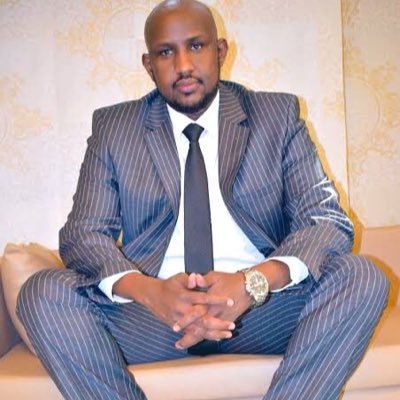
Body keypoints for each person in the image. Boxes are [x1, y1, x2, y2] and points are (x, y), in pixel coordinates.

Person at [16, 1, 389, 399]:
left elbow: (326, 221)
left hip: (260, 310)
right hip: (155, 317)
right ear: (148, 65)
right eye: (166, 52)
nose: (183, 65)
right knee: (41, 292)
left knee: (362, 276)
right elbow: (83, 235)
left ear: (220, 51)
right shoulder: (116, 128)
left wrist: (251, 283)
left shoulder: (276, 116)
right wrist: (152, 293)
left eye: (196, 46)